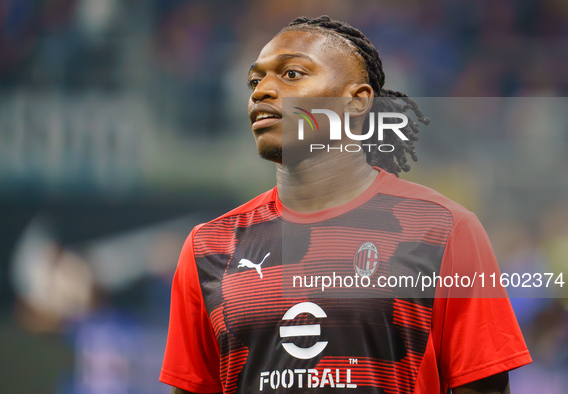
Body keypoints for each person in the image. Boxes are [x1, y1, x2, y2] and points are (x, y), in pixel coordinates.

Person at [160, 16, 532, 394]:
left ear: (356, 101)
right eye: (255, 81)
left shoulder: (444, 229)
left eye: (291, 74)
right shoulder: (208, 247)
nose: (262, 91)